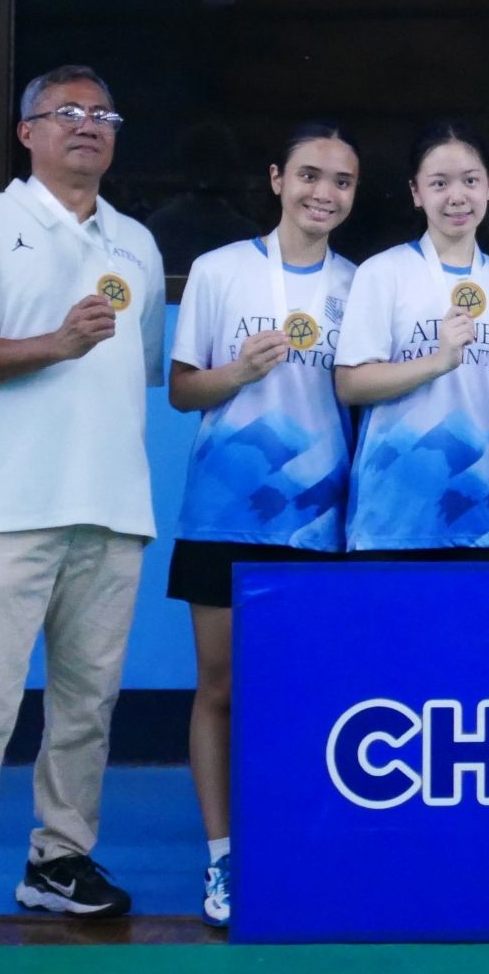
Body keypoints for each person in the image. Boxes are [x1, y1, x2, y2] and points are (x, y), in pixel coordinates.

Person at [0, 65, 165, 945]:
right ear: (28, 133)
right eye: (67, 113)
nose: (87, 126)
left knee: (87, 703)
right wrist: (56, 343)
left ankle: (57, 862)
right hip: (7, 506)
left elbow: (146, 368)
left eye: (103, 112)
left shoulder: (137, 244)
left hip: (113, 510)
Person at [167, 121, 359, 926]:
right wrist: (236, 371)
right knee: (221, 687)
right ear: (277, 178)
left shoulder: (363, 282)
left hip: (324, 519)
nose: (325, 193)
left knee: (310, 692)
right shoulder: (219, 272)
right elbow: (182, 392)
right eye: (310, 175)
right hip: (225, 510)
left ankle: (296, 847)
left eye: (343, 182)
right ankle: (222, 859)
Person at [334, 120, 489, 557]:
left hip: (485, 515)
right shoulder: (383, 272)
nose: (457, 196)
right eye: (439, 183)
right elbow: (350, 384)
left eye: (470, 181)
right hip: (393, 517)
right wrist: (437, 362)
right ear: (417, 193)